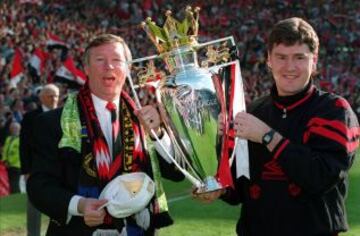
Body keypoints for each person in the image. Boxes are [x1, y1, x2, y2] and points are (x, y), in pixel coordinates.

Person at [195, 17, 360, 236]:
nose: (289, 67)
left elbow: (320, 177)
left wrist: (267, 135)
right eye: (281, 57)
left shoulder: (334, 109)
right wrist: (219, 189)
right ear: (269, 60)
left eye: (299, 57)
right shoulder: (253, 111)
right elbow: (241, 186)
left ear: (314, 61)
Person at [27, 34, 183, 235]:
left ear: (127, 69)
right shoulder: (53, 122)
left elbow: (177, 173)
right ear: (86, 69)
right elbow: (39, 186)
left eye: (117, 60)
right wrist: (80, 205)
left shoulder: (146, 119)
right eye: (100, 60)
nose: (109, 66)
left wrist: (158, 134)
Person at [20, 83, 60, 236]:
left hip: (59, 168)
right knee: (34, 205)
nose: (54, 99)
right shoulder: (30, 118)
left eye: (56, 95)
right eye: (50, 96)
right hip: (36, 168)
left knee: (59, 204)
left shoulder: (65, 115)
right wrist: (26, 170)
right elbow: (24, 145)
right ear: (42, 98)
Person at [2, 121, 21, 193]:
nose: (14, 130)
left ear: (19, 129)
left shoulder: (20, 139)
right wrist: (5, 160)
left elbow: (18, 154)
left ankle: (16, 195)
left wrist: (10, 162)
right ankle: (13, 195)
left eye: (16, 128)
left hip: (16, 164)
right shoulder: (8, 139)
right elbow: (5, 150)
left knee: (14, 182)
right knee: (11, 182)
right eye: (13, 128)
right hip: (8, 165)